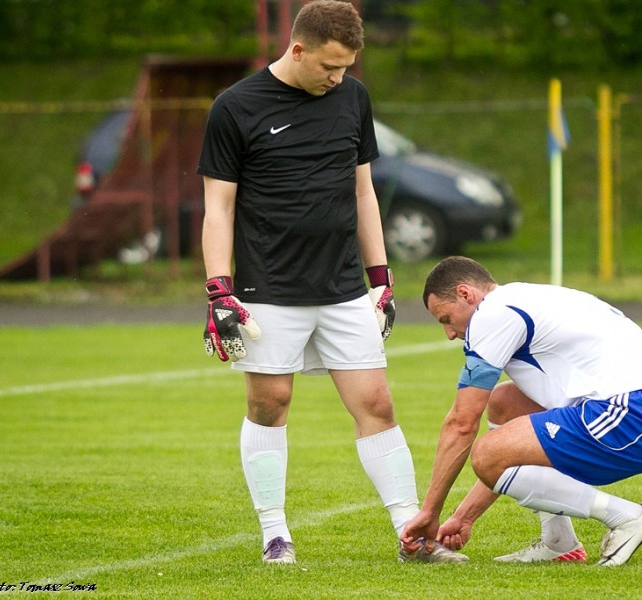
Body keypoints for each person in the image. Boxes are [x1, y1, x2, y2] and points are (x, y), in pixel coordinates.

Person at [197, 0, 466, 565]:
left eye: (346, 68)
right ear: (298, 49)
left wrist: (380, 277)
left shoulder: (353, 98)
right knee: (270, 403)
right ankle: (275, 535)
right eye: (329, 67)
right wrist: (218, 289)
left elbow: (362, 191)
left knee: (377, 403)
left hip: (344, 286)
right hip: (267, 288)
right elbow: (218, 208)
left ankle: (410, 535)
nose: (338, 78)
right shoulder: (235, 107)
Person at [400, 256, 642, 566]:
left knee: (485, 453)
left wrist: (429, 512)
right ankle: (559, 541)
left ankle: (628, 516)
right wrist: (464, 517)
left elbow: (462, 423)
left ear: (466, 294)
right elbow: (510, 448)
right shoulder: (524, 297)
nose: (450, 333)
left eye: (445, 318)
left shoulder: (491, 314)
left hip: (635, 414)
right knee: (505, 403)